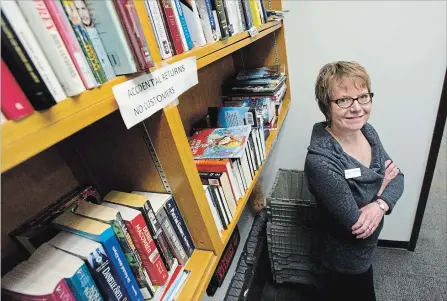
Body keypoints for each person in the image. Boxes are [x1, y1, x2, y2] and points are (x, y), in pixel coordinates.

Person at [304, 61, 404, 301]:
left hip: (365, 255)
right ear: (326, 106)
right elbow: (358, 228)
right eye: (343, 100)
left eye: (363, 97)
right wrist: (382, 185)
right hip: (344, 258)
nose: (356, 108)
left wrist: (378, 204)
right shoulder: (321, 160)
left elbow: (398, 178)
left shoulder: (367, 132)